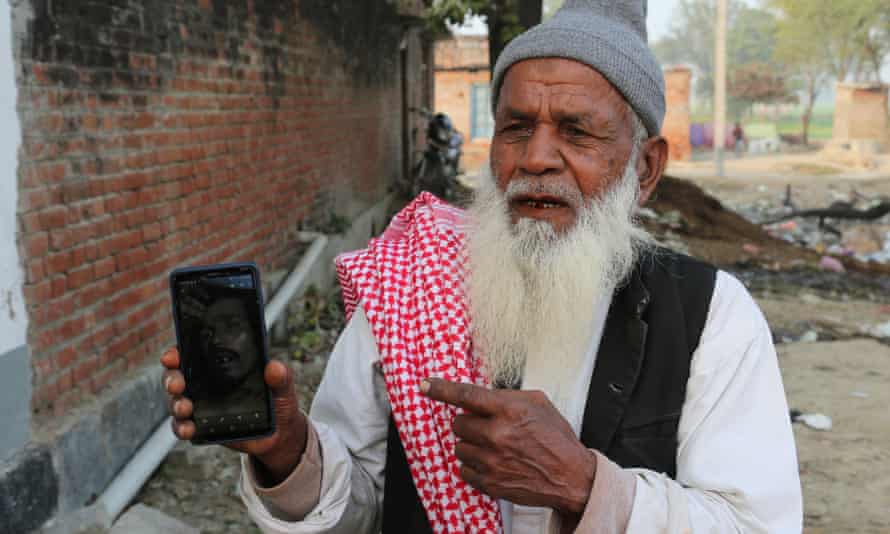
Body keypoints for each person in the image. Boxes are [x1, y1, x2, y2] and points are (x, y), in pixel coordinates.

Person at [162, 1, 802, 532]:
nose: (537, 158)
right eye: (517, 128)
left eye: (577, 133)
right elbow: (356, 510)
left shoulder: (710, 317)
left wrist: (586, 487)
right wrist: (288, 452)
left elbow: (758, 525)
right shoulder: (413, 283)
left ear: (646, 167)